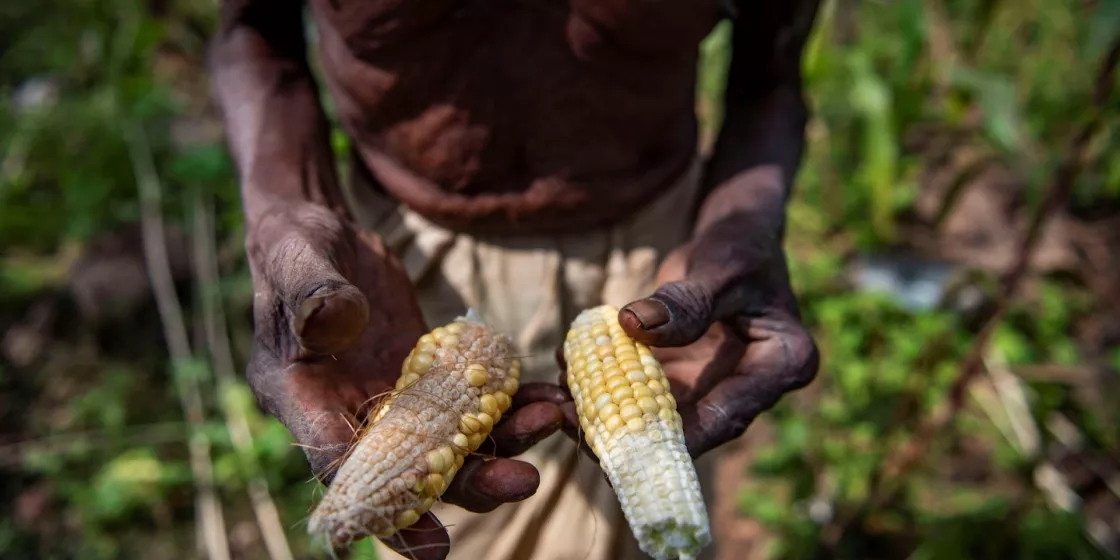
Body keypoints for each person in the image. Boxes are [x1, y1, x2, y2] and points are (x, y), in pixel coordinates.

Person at [208, 1, 822, 558]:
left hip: (662, 260)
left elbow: (771, 67)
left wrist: (747, 226)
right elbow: (255, 28)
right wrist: (283, 209)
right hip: (395, 269)